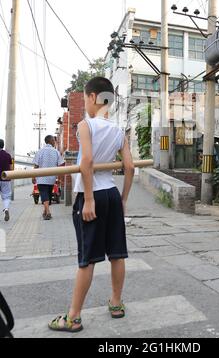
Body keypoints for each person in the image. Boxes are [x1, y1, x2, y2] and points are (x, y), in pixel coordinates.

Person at [48, 76, 134, 333]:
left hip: (92, 196)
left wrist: (87, 199)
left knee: (87, 259)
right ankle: (116, 303)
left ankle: (73, 317)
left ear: (94, 97)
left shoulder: (86, 126)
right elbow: (129, 167)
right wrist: (124, 199)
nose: (86, 103)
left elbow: (86, 163)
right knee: (117, 253)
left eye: (85, 98)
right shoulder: (119, 131)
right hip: (111, 194)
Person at [33, 135, 65, 220]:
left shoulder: (40, 151)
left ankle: (47, 212)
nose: (55, 142)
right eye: (54, 141)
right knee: (48, 195)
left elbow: (36, 166)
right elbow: (60, 166)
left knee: (44, 194)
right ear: (50, 141)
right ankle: (46, 212)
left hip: (41, 178)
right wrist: (59, 179)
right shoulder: (56, 152)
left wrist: (33, 177)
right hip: (51, 179)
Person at [0, 139, 13, 222]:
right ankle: (6, 209)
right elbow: (11, 168)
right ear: (3, 145)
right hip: (5, 178)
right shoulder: (8, 155)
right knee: (6, 196)